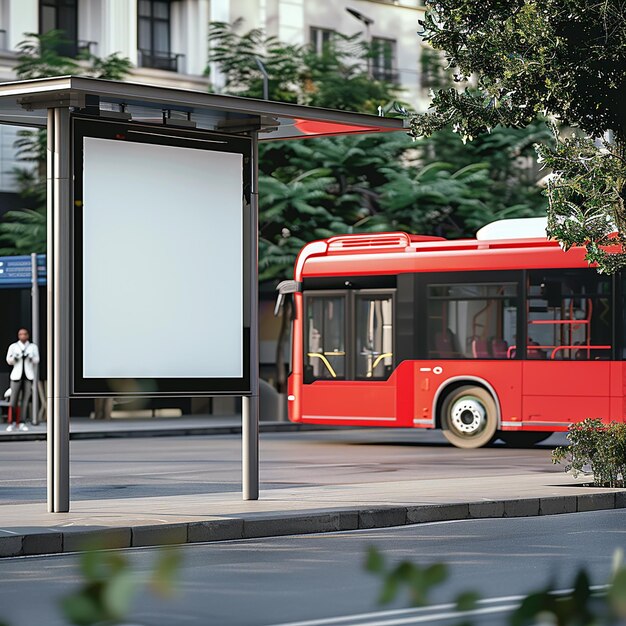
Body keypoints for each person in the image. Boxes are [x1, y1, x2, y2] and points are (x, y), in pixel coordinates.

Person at [5, 328, 39, 431]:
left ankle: (22, 422)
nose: (23, 336)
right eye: (21, 334)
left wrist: (30, 357)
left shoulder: (33, 347)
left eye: (24, 334)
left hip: (28, 376)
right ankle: (11, 422)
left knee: (25, 401)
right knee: (13, 400)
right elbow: (8, 360)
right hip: (16, 376)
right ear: (18, 335)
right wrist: (15, 358)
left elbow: (37, 360)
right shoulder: (14, 346)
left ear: (27, 335)